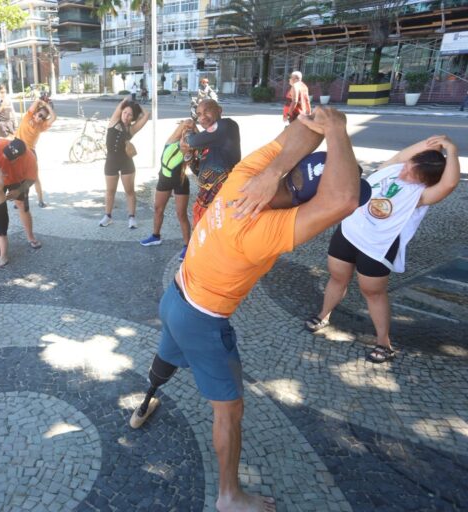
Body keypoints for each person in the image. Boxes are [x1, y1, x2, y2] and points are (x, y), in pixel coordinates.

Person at [130, 107, 368, 512]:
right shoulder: (264, 231)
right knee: (230, 411)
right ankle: (228, 496)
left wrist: (278, 168)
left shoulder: (244, 176)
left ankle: (146, 398)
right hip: (202, 321)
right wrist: (340, 129)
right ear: (303, 201)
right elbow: (343, 198)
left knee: (167, 352)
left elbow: (305, 127)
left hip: (175, 294)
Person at [305, 135, 460, 363]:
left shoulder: (421, 196)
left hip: (377, 246)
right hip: (348, 233)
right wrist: (435, 144)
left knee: (373, 293)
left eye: (411, 174)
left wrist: (452, 150)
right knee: (337, 278)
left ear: (425, 181)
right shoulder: (394, 167)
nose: (403, 172)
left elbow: (449, 183)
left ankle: (384, 343)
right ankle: (323, 315)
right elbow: (405, 155)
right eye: (407, 166)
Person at [140, 121, 198, 259]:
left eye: (190, 138)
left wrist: (192, 142)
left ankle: (187, 245)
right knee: (158, 209)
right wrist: (191, 126)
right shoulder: (171, 142)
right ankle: (156, 236)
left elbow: (204, 144)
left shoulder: (189, 153)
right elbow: (187, 122)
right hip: (164, 180)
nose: (186, 139)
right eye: (185, 135)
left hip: (181, 182)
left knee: (181, 214)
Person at [183, 99, 241, 228]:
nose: (202, 117)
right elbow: (198, 171)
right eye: (198, 114)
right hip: (205, 204)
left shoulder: (226, 125)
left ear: (219, 110)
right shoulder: (208, 143)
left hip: (224, 203)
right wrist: (187, 155)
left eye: (207, 111)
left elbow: (191, 142)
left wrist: (188, 130)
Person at [100, 97, 150, 229]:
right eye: (125, 113)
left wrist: (137, 106)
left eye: (130, 115)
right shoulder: (113, 122)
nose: (126, 116)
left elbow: (147, 115)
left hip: (126, 162)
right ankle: (108, 216)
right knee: (110, 191)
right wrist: (127, 102)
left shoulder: (131, 130)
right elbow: (122, 103)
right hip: (111, 162)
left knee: (129, 191)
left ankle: (132, 217)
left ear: (133, 118)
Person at [16, 98, 56, 208]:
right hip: (18, 148)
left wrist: (47, 107)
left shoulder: (41, 126)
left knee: (34, 177)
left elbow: (54, 118)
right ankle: (19, 199)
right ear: (35, 114)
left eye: (43, 117)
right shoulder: (27, 116)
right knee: (19, 176)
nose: (40, 118)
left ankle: (40, 200)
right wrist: (41, 102)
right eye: (39, 115)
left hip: (30, 152)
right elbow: (36, 102)